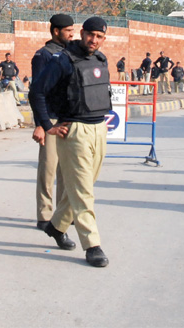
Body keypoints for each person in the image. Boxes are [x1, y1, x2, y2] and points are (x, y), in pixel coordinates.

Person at [29, 17, 113, 268]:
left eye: (99, 36)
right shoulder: (63, 59)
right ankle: (92, 245)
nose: (94, 40)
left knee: (84, 184)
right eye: (90, 35)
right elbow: (37, 92)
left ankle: (56, 226)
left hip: (99, 127)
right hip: (73, 130)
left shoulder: (100, 59)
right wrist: (46, 125)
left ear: (103, 38)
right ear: (82, 33)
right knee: (84, 191)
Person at [30, 13, 75, 231]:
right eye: (68, 31)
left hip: (69, 119)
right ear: (56, 31)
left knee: (67, 170)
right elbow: (38, 92)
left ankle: (63, 212)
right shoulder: (43, 56)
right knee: (48, 169)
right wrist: (41, 123)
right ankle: (44, 214)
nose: (72, 34)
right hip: (51, 120)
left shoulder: (70, 54)